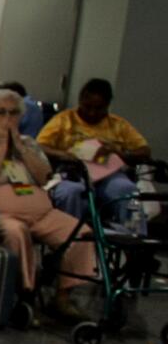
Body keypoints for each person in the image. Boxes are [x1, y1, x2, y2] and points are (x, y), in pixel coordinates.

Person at [0, 88, 99, 321]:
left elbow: (43, 177)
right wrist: (1, 148)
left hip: (40, 213)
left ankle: (62, 297)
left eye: (14, 113)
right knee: (16, 232)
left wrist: (19, 146)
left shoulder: (28, 143)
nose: (8, 118)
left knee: (81, 233)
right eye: (1, 112)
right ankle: (22, 294)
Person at [39, 78, 151, 233]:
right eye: (87, 107)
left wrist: (118, 152)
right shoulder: (63, 120)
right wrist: (65, 155)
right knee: (69, 193)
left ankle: (135, 241)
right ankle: (72, 240)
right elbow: (39, 147)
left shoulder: (118, 124)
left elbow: (144, 151)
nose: (92, 113)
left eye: (99, 108)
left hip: (108, 173)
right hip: (73, 171)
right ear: (80, 101)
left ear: (107, 105)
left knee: (127, 190)